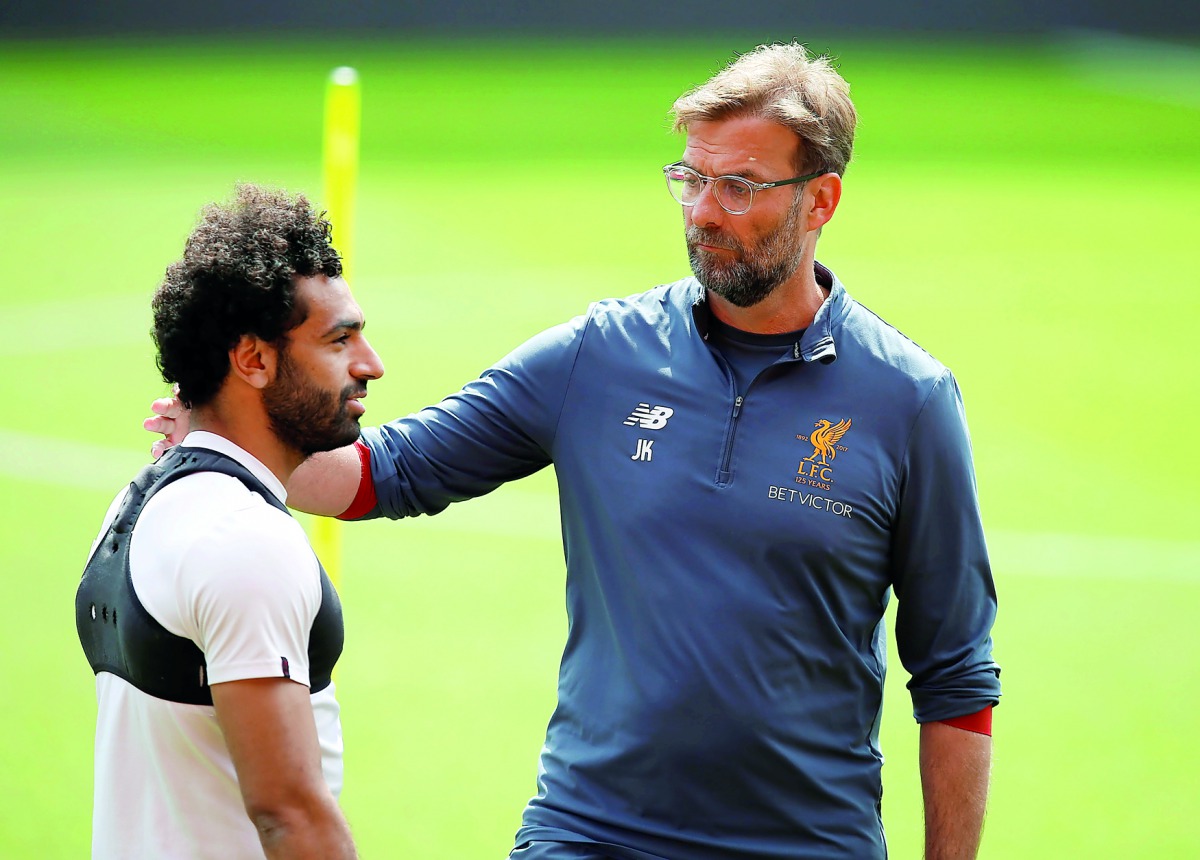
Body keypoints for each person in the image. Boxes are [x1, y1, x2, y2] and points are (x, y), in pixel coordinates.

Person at [148, 43, 1000, 859]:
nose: (704, 211)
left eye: (739, 186)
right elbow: (382, 472)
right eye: (690, 179)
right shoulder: (601, 355)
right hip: (593, 834)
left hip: (808, 843)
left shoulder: (911, 402)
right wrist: (227, 439)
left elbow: (956, 679)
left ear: (821, 201)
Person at [81, 183, 383, 859]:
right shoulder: (243, 542)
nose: (371, 365)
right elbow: (290, 815)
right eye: (340, 340)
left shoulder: (140, 500)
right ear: (253, 359)